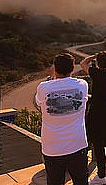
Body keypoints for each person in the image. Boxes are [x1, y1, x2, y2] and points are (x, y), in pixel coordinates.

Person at [35, 53, 89, 185]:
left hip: (52, 148)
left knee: (54, 182)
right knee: (81, 181)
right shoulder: (82, 85)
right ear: (72, 69)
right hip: (77, 144)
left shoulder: (44, 87)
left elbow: (38, 103)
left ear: (54, 68)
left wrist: (51, 78)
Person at [80, 51, 106, 185]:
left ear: (98, 62)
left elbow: (83, 63)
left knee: (98, 143)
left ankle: (101, 176)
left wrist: (92, 57)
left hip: (96, 112)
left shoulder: (96, 74)